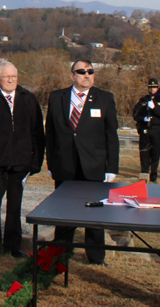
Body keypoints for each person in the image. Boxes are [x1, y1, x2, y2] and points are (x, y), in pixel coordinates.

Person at [45, 59, 118, 265]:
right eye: (82, 71)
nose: (87, 75)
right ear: (72, 76)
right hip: (64, 165)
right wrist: (51, 163)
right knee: (64, 212)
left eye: (91, 71)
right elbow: (50, 132)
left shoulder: (104, 98)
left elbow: (111, 134)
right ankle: (60, 254)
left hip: (93, 166)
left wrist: (111, 167)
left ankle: (95, 256)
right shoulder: (57, 97)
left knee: (94, 214)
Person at [0, 59, 45, 257]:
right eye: (7, 77)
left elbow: (38, 133)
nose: (11, 80)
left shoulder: (28, 99)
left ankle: (14, 246)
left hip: (20, 163)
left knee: (15, 207)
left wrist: (36, 161)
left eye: (14, 77)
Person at [133, 77, 160, 182]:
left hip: (157, 130)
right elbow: (135, 114)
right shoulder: (143, 100)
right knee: (144, 152)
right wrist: (143, 118)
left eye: (154, 87)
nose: (152, 90)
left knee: (155, 153)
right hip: (145, 129)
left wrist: (154, 108)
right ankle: (144, 174)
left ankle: (154, 176)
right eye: (150, 87)